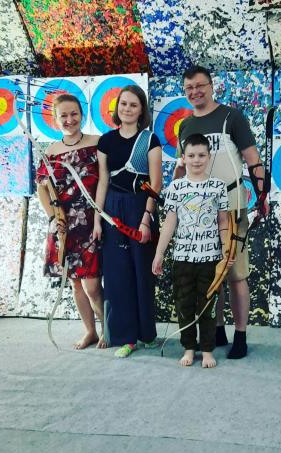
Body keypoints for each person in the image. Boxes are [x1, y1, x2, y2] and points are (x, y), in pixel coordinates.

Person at [174, 65, 270, 359]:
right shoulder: (185, 126)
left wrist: (262, 195)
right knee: (208, 272)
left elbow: (253, 159)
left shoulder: (231, 117)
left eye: (200, 85)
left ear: (211, 86)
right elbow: (183, 168)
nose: (195, 92)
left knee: (236, 273)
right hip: (198, 210)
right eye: (189, 88)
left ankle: (240, 334)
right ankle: (215, 330)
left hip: (231, 203)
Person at [93, 85, 163, 358]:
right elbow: (103, 181)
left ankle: (147, 334)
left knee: (141, 272)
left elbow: (155, 183)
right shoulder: (106, 141)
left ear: (141, 109)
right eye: (123, 103)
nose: (128, 109)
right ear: (117, 107)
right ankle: (126, 337)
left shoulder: (150, 139)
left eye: (134, 104)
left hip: (139, 207)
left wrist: (146, 218)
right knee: (117, 274)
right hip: (112, 209)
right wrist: (98, 219)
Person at [153, 134, 233, 368]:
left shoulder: (218, 186)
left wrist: (226, 250)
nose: (196, 160)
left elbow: (223, 221)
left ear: (209, 156)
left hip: (210, 258)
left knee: (208, 307)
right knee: (184, 305)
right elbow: (170, 222)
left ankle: (207, 350)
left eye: (201, 155)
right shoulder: (176, 187)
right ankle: (189, 348)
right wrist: (160, 253)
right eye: (191, 155)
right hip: (182, 259)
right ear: (184, 158)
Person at [36, 94, 105, 349]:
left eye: (74, 113)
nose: (69, 119)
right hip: (64, 226)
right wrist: (53, 219)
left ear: (82, 114)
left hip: (90, 222)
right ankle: (90, 331)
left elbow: (105, 180)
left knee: (93, 285)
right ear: (55, 119)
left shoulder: (97, 143)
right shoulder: (50, 151)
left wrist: (99, 216)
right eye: (63, 115)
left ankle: (108, 328)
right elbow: (42, 188)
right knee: (75, 282)